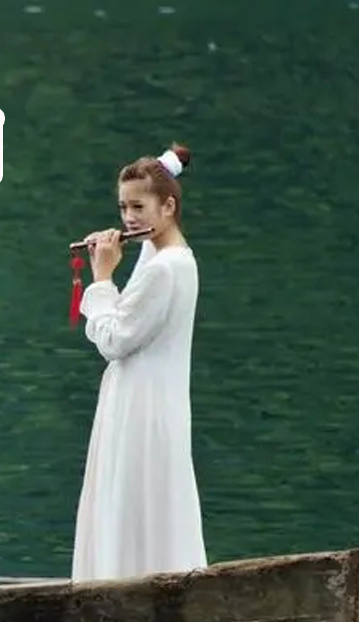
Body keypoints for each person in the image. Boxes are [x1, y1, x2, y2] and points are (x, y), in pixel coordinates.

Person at [70, 143, 207, 581]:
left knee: (133, 499)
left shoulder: (166, 270)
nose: (128, 218)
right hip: (146, 402)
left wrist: (102, 279)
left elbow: (114, 339)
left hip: (141, 409)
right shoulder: (167, 257)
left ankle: (122, 586)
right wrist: (168, 165)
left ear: (168, 207)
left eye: (138, 207)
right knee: (142, 499)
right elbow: (145, 264)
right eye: (123, 207)